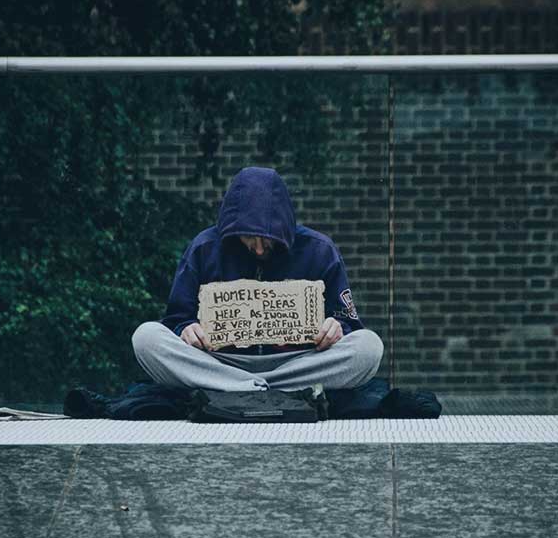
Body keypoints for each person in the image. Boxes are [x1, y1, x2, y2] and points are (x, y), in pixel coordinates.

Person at [132, 166, 383, 392]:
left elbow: (349, 324)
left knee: (368, 346)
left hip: (299, 363)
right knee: (146, 337)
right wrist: (185, 329)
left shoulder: (319, 250)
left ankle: (250, 388)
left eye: (268, 240)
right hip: (220, 363)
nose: (260, 249)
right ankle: (249, 386)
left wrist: (337, 328)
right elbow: (176, 319)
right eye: (250, 239)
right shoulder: (204, 249)